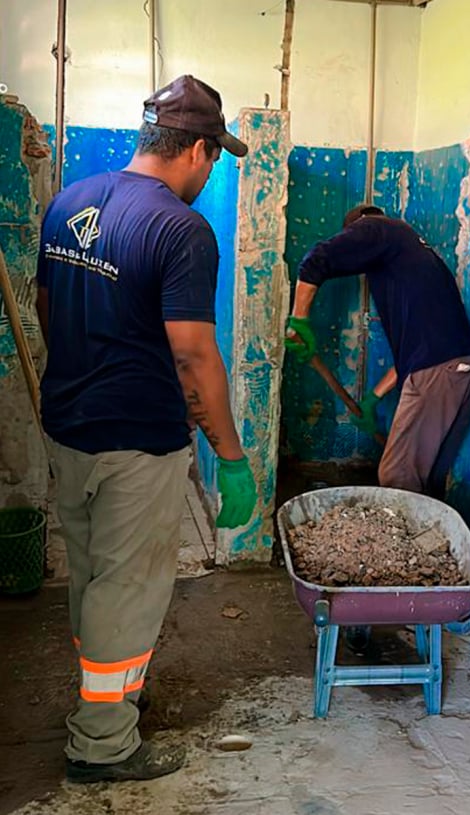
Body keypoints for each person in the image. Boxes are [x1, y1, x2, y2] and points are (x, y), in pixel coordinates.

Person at [35, 75, 257, 784]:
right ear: (195, 149)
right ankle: (102, 744)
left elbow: (46, 307)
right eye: (214, 156)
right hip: (136, 439)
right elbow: (192, 353)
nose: (212, 168)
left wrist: (83, 369)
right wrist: (230, 454)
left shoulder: (69, 201)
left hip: (69, 424)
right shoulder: (181, 228)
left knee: (96, 579)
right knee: (128, 589)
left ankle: (113, 694)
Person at [285, 204, 470, 498]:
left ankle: (400, 543)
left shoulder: (374, 227)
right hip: (463, 366)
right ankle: (426, 540)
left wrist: (299, 320)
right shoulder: (413, 253)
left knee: (396, 475)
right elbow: (413, 355)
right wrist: (372, 400)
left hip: (440, 368)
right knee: (428, 478)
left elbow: (315, 260)